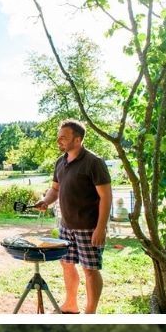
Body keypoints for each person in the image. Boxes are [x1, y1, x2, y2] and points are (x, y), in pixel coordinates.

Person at [33, 119, 113, 313]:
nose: (58, 141)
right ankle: (70, 304)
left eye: (63, 138)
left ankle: (90, 312)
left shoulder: (94, 162)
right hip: (66, 226)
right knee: (67, 264)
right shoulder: (60, 162)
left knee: (90, 269)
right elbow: (55, 190)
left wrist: (100, 228)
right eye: (58, 137)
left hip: (89, 227)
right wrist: (45, 200)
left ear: (77, 139)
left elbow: (106, 197)